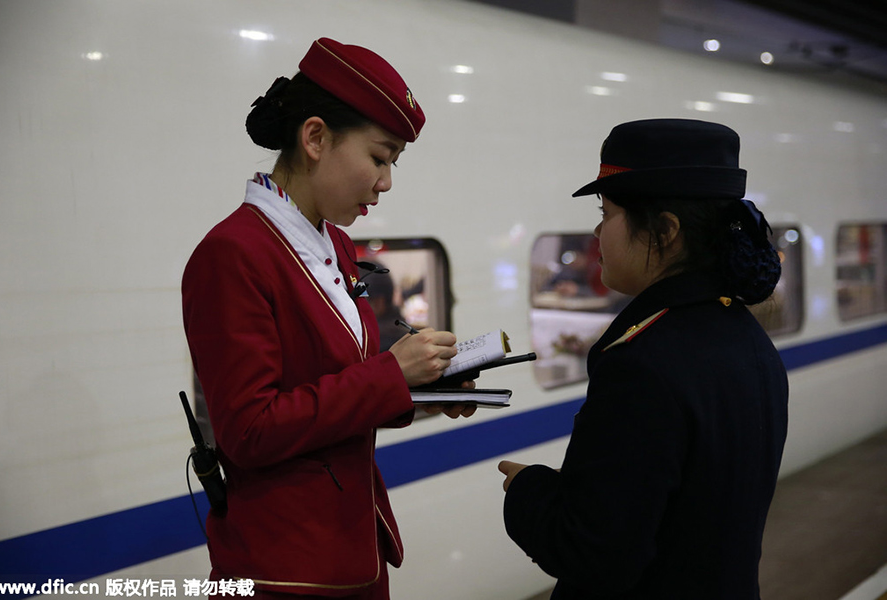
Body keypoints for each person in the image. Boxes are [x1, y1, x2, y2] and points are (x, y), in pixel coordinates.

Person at [182, 37, 474, 599]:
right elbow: (249, 430)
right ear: (315, 137)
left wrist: (421, 392)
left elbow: (331, 391)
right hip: (284, 571)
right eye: (379, 157)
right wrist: (392, 375)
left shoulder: (333, 246)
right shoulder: (234, 253)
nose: (386, 181)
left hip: (347, 551)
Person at [499, 119, 789, 599]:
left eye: (607, 213)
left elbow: (592, 553)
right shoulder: (748, 339)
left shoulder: (642, 365)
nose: (596, 231)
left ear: (667, 230)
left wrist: (528, 491)